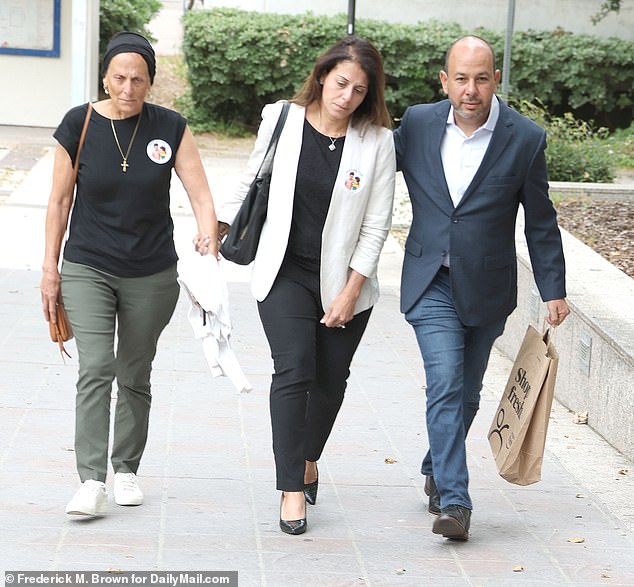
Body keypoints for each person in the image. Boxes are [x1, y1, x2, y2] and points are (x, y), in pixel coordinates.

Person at [393, 35, 570, 541]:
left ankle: (434, 464)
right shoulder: (419, 124)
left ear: (496, 79)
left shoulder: (525, 137)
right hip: (430, 280)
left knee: (467, 393)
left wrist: (552, 287)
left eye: (482, 78)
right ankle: (455, 500)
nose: (471, 90)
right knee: (445, 383)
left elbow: (540, 221)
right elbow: (370, 168)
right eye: (462, 79)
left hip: (488, 287)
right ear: (445, 81)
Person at [217, 36, 395, 535]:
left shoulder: (378, 141)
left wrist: (351, 291)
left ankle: (309, 456)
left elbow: (377, 225)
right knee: (294, 369)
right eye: (341, 83)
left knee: (330, 383)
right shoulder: (282, 118)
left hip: (344, 279)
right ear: (321, 76)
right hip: (284, 270)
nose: (347, 97)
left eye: (360, 90)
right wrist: (221, 226)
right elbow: (251, 179)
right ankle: (291, 486)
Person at [40, 32, 218, 516]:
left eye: (138, 78)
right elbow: (59, 202)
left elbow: (200, 193)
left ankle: (126, 470)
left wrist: (208, 234)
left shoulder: (171, 127)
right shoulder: (78, 124)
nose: (128, 86)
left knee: (134, 372)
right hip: (87, 266)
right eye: (119, 77)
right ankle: (90, 479)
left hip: (151, 271)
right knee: (96, 366)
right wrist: (49, 270)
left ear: (151, 81)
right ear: (105, 76)